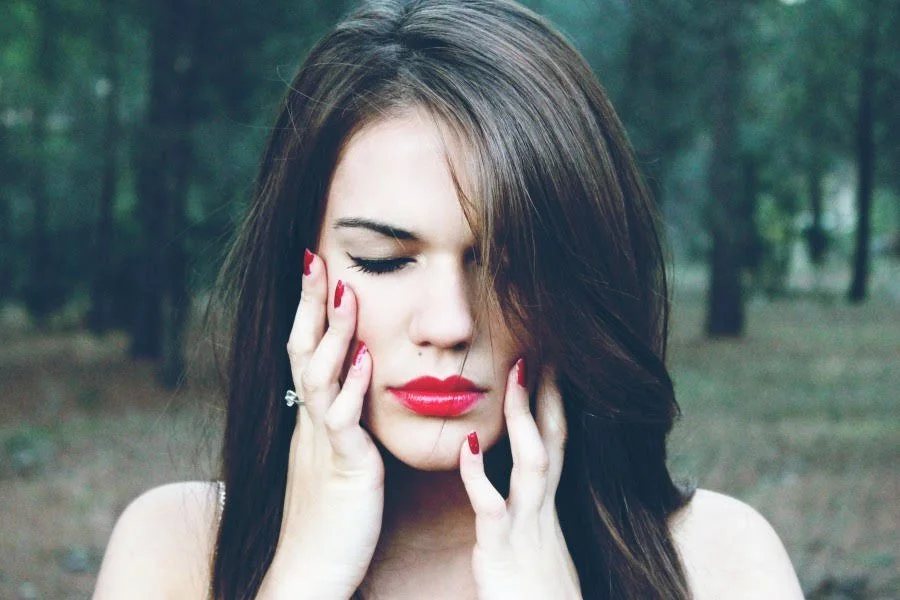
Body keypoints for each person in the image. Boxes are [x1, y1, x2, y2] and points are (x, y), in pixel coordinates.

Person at [93, 1, 805, 598]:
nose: (450, 323)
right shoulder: (176, 552)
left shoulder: (718, 561)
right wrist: (303, 576)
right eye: (385, 260)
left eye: (511, 264)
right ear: (298, 273)